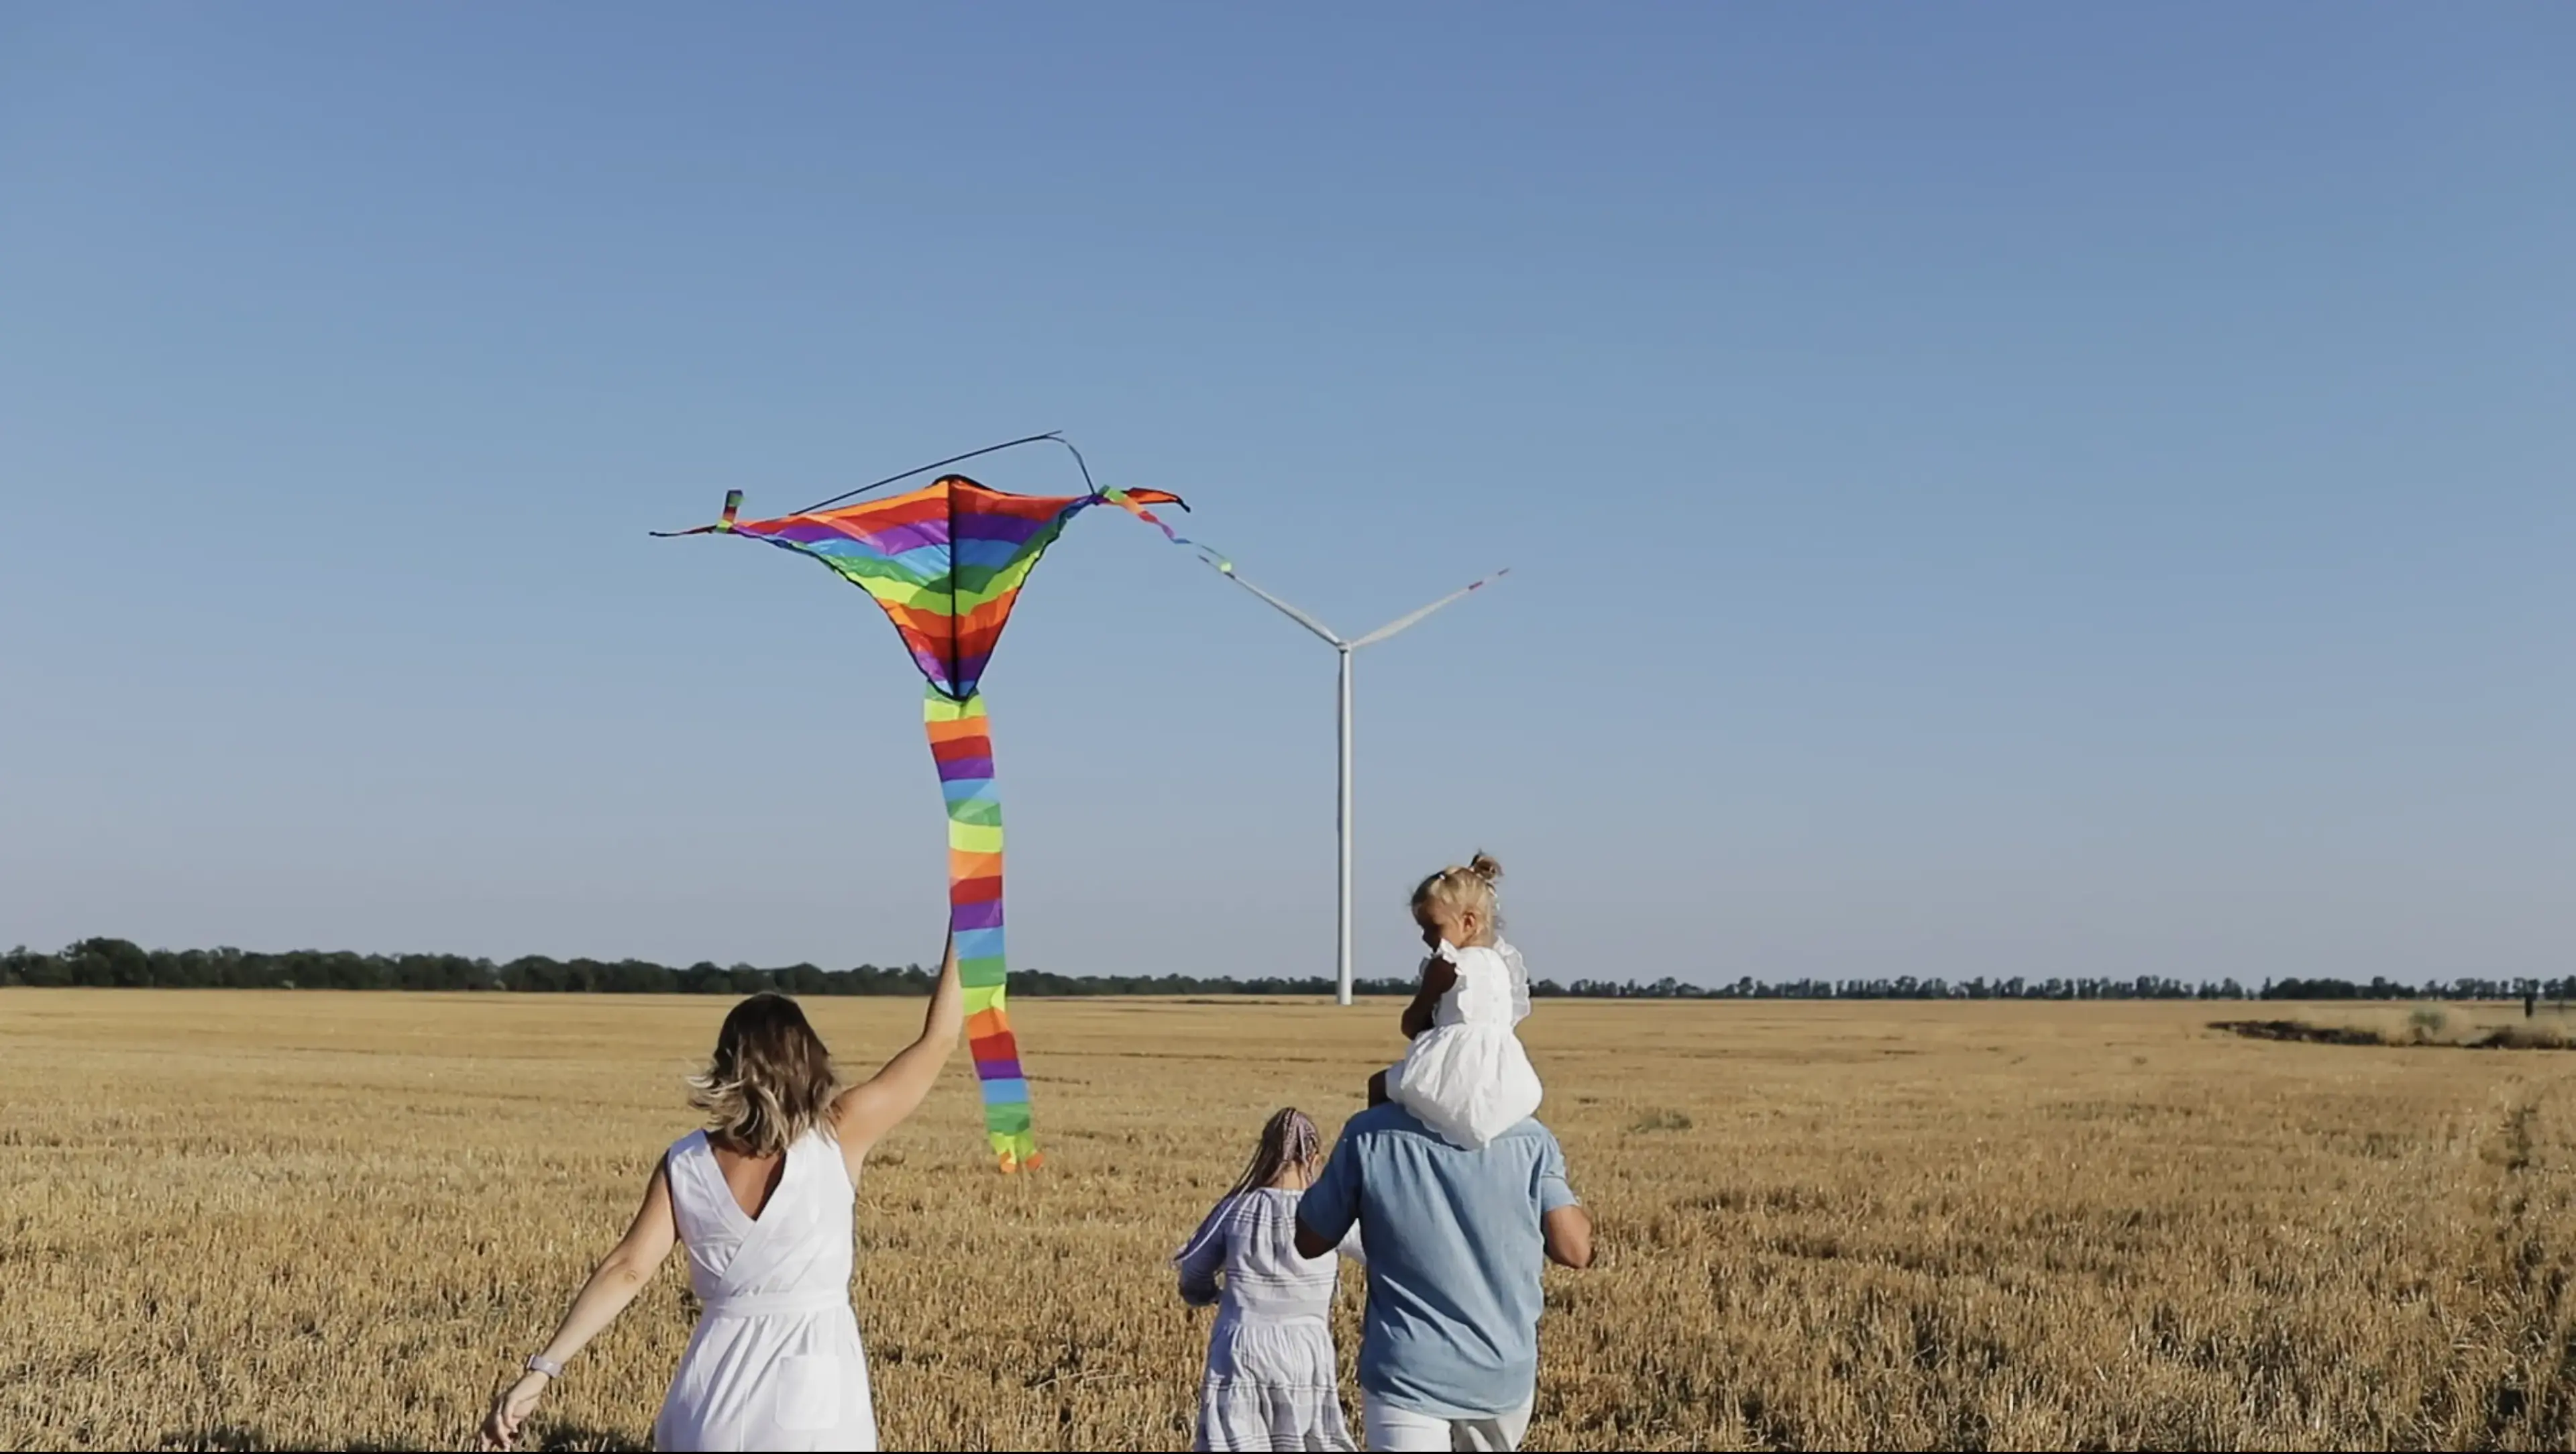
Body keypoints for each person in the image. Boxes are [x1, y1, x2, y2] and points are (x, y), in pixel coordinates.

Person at [476, 936, 964, 1452]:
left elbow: (628, 1269)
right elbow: (939, 1040)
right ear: (810, 1061)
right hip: (812, 1406)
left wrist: (542, 1370)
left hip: (708, 1403)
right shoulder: (838, 1133)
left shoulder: (685, 1162)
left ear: (727, 1064)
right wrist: (971, 922)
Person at [1295, 1094, 1593, 1451]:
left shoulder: (1369, 1132)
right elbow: (1575, 1251)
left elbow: (1310, 1240)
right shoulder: (1531, 1139)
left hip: (1407, 1368)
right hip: (1499, 1372)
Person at [1175, 1108, 1366, 1453]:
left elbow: (1193, 1272)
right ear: (1314, 1158)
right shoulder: (1327, 1212)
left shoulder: (1235, 1208)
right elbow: (1381, 1254)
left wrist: (1208, 1295)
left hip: (1241, 1346)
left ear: (1264, 1153)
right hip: (1306, 1349)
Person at [1370, 854, 1542, 1151]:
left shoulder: (1448, 965)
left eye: (1433, 927)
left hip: (1453, 1069)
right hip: (1505, 1074)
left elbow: (1412, 1026)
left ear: (1468, 922)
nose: (1426, 938)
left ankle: (1377, 1156)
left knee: (1378, 1086)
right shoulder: (1501, 964)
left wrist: (1427, 998)